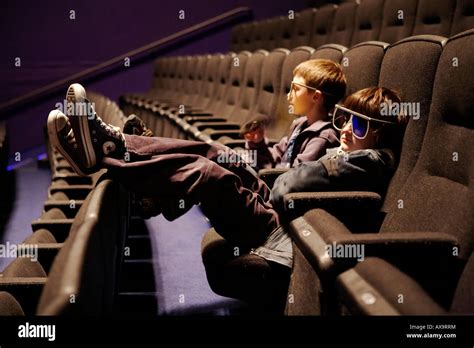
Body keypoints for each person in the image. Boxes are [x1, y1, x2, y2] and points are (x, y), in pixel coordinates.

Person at [48, 84, 406, 312]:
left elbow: (286, 190)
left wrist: (283, 181)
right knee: (218, 152)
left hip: (284, 236)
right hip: (280, 215)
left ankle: (117, 158)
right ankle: (113, 146)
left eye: (357, 126)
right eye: (343, 118)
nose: (343, 129)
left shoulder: (370, 160)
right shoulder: (353, 151)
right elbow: (285, 181)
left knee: (209, 175)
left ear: (381, 134)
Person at [241, 59, 346, 170]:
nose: (288, 95)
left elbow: (295, 177)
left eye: (295, 89)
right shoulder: (299, 124)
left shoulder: (323, 138)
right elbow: (276, 157)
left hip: (277, 184)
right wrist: (258, 143)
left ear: (315, 96)